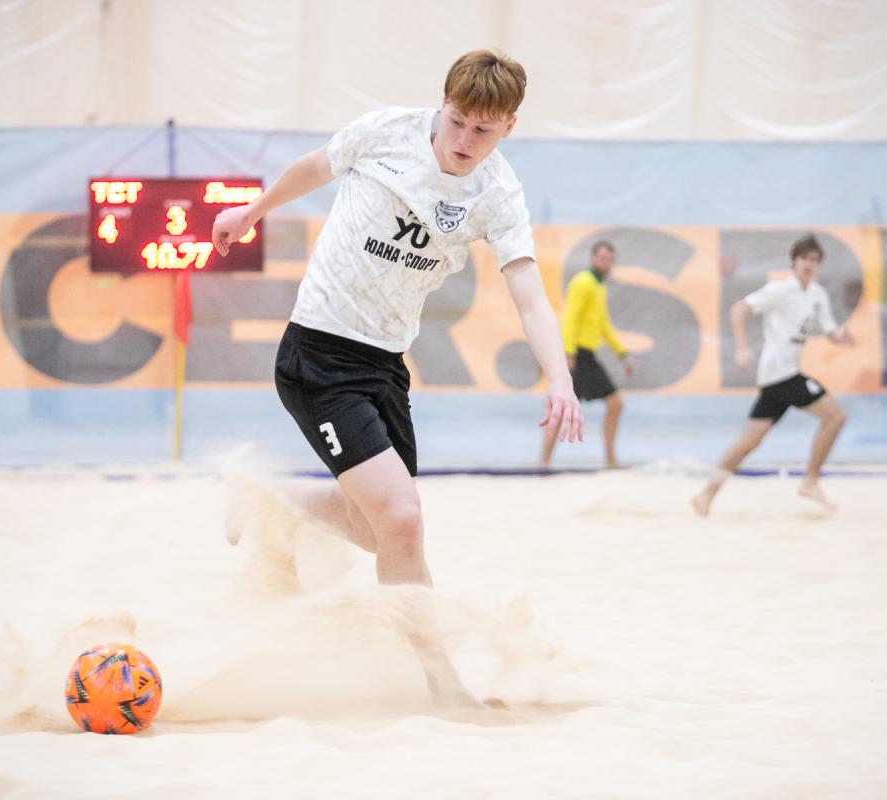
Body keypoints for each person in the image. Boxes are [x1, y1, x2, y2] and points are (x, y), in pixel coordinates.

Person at [212, 50, 583, 588]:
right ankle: (424, 645)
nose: (463, 140)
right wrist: (251, 212)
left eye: (482, 130)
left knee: (376, 530)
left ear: (509, 126)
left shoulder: (498, 194)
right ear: (443, 103)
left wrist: (560, 379)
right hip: (318, 352)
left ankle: (272, 498)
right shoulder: (387, 133)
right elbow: (314, 167)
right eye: (456, 121)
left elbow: (530, 297)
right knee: (404, 522)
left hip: (385, 363)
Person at [691, 234, 854, 516]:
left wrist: (843, 338)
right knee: (835, 417)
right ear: (793, 262)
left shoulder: (818, 294)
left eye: (814, 260)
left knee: (750, 441)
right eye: (804, 259)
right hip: (781, 372)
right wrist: (742, 348)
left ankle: (706, 495)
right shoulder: (781, 290)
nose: (808, 264)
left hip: (780, 376)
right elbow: (738, 309)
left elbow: (830, 331)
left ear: (819, 264)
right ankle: (810, 481)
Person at [540, 240, 632, 469]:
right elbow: (569, 318)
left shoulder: (599, 287)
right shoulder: (583, 282)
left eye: (610, 260)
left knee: (613, 404)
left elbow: (603, 325)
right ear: (592, 259)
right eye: (602, 258)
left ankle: (609, 459)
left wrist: (621, 353)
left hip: (588, 355)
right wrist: (568, 353)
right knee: (564, 408)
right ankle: (545, 461)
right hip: (578, 355)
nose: (606, 263)